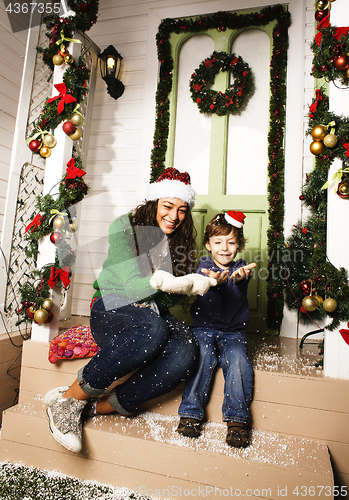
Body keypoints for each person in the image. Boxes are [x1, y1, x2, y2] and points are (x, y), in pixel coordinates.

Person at [44, 167, 216, 454]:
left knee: (187, 348)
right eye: (168, 206)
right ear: (154, 203)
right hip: (112, 306)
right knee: (153, 328)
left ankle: (101, 407)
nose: (174, 216)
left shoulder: (181, 241)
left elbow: (165, 303)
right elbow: (132, 288)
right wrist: (169, 282)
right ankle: (70, 401)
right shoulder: (125, 226)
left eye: (182, 210)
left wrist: (192, 284)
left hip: (151, 314)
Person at [177, 210, 256, 448]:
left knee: (239, 361)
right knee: (201, 357)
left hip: (234, 332)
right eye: (218, 242)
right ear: (208, 245)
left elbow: (238, 286)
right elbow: (205, 281)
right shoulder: (203, 265)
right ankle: (190, 414)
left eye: (231, 242)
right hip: (203, 328)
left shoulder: (241, 268)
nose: (224, 248)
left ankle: (237, 421)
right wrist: (212, 280)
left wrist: (238, 279)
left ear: (239, 245)